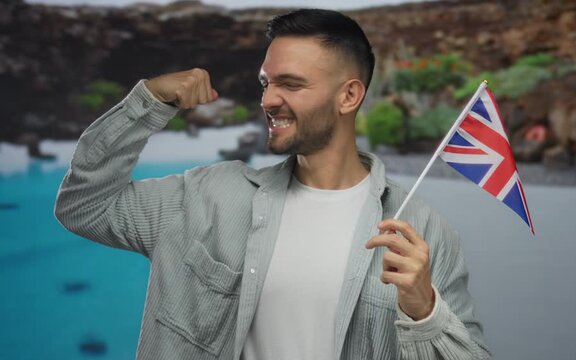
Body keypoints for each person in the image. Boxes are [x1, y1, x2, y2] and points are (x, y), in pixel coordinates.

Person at [55, 8, 490, 360]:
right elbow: (84, 206)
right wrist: (146, 102)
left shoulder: (422, 232)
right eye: (266, 83)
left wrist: (424, 312)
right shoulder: (208, 197)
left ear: (349, 96)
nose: (267, 100)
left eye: (291, 84)